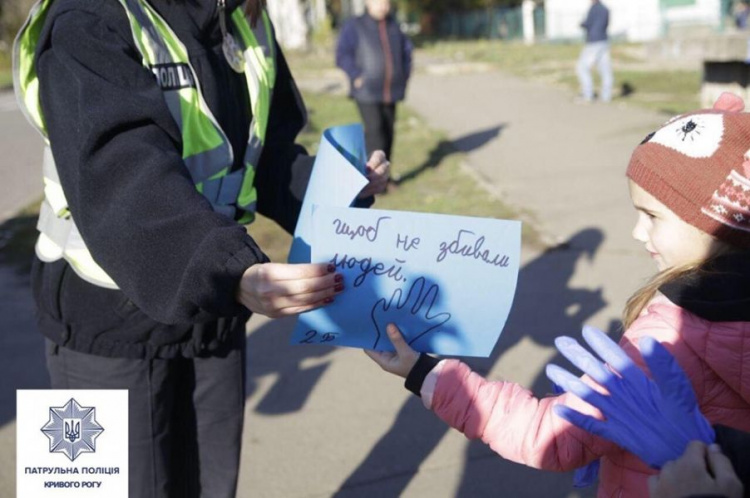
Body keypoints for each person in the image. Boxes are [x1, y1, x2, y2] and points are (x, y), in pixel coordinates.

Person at [13, 0, 389, 496]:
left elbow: (269, 155)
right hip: (101, 331)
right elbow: (124, 171)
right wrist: (230, 271)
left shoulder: (244, 20)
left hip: (212, 319)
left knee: (212, 486)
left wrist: (339, 188)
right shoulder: (86, 16)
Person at [365, 92, 750, 497]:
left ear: (718, 225)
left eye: (653, 216)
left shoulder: (667, 340)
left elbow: (552, 434)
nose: (638, 233)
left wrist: (425, 374)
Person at [335, 0, 412, 161]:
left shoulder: (394, 26)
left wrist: (404, 76)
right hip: (367, 91)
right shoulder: (355, 26)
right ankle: (372, 179)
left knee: (389, 133)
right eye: (379, 2)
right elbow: (342, 54)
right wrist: (355, 74)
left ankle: (385, 176)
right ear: (368, 3)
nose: (383, 6)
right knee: (375, 133)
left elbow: (407, 53)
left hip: (392, 90)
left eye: (386, 2)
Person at [576, 0, 613, 103]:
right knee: (605, 69)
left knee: (582, 68)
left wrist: (582, 24)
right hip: (604, 40)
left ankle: (587, 94)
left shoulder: (593, 8)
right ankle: (606, 96)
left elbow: (588, 23)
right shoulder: (605, 9)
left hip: (593, 41)